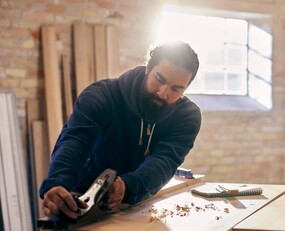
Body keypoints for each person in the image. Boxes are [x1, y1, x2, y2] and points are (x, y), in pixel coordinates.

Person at [39, 41, 201, 220]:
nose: (163, 93)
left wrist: (129, 187)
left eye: (176, 89)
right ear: (148, 68)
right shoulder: (101, 96)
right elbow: (75, 141)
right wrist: (56, 183)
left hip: (137, 202)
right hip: (79, 199)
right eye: (160, 80)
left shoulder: (187, 116)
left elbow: (165, 160)